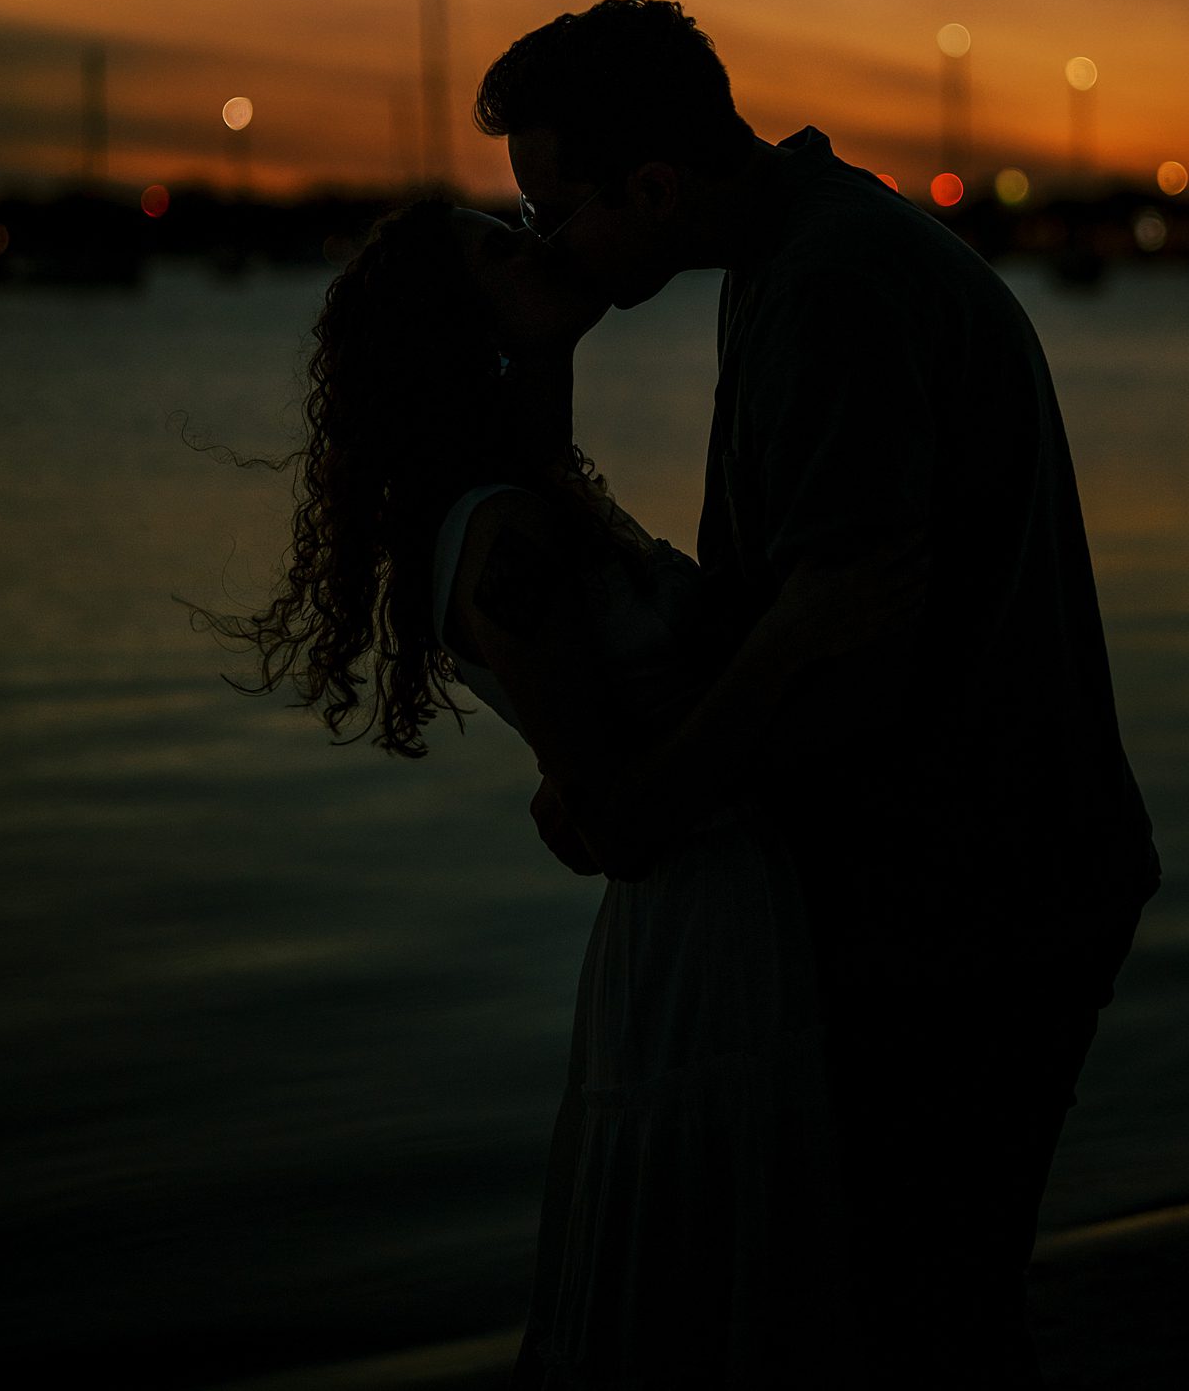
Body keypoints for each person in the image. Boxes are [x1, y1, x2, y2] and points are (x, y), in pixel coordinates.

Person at [474, 0, 1164, 1388]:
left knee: (920, 1320)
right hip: (974, 880)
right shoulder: (798, 248)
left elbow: (847, 664)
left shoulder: (831, 285)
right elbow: (779, 609)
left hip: (974, 899)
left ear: (655, 185)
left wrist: (643, 803)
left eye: (557, 211)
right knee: (912, 1308)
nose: (548, 243)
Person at [199, 196, 871, 1388]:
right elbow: (615, 821)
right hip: (697, 933)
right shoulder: (502, 532)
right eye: (503, 247)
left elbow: (596, 772)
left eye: (519, 219)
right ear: (461, 325)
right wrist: (793, 640)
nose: (539, 241)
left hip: (735, 908)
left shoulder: (543, 486)